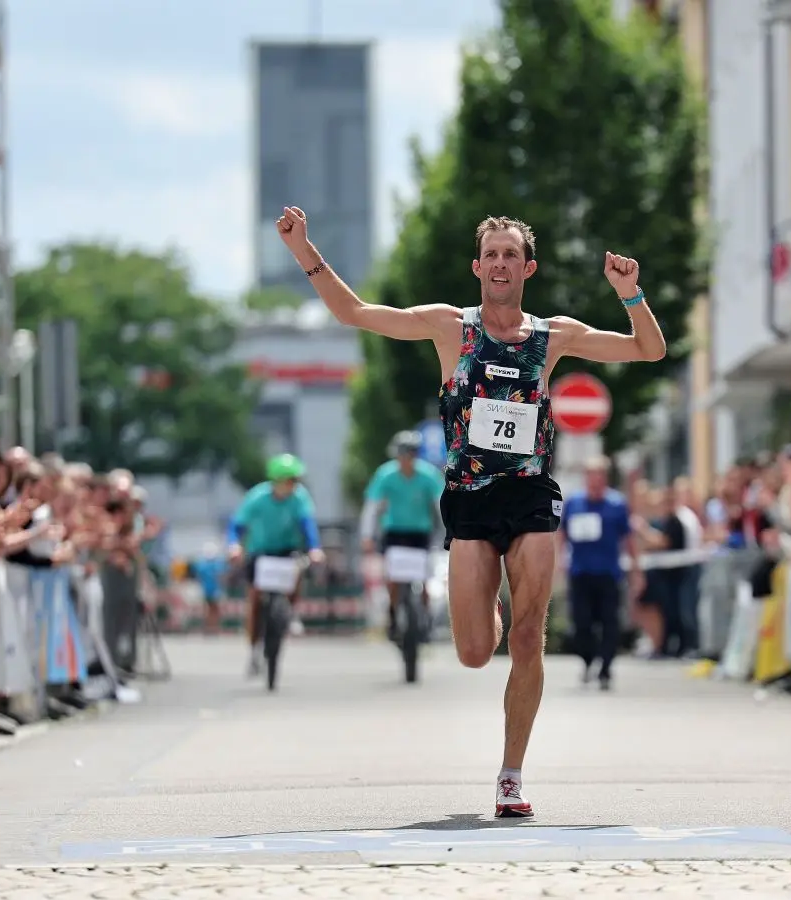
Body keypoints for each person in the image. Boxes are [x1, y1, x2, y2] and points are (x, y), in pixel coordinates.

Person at [275, 206, 666, 819]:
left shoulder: (552, 334)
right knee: (476, 651)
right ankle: (481, 597)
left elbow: (649, 348)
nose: (502, 263)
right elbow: (355, 313)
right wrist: (304, 249)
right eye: (493, 255)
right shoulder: (449, 329)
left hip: (531, 494)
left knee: (529, 631)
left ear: (527, 267)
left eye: (512, 254)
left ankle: (511, 774)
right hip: (469, 498)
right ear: (477, 267)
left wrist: (630, 293)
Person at [225, 453, 326, 677]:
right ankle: (253, 650)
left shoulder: (300, 498)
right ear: (277, 481)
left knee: (298, 569)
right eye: (289, 480)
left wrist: (315, 548)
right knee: (254, 599)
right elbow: (237, 524)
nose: (293, 484)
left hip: (287, 550)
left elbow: (307, 525)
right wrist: (234, 545)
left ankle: (290, 611)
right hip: (260, 552)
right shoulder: (257, 497)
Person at [561, 456, 639, 688]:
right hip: (580, 573)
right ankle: (587, 661)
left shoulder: (616, 504)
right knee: (582, 622)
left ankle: (605, 668)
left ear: (605, 478)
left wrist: (636, 569)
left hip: (608, 574)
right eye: (591, 475)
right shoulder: (574, 503)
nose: (595, 480)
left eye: (599, 475)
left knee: (610, 623)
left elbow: (628, 538)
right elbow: (561, 534)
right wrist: (558, 561)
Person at [361, 430, 443, 641]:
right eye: (403, 453)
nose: (407, 458)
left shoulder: (429, 475)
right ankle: (393, 614)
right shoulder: (385, 475)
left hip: (420, 533)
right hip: (394, 533)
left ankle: (424, 618)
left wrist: (450, 532)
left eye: (412, 453)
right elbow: (372, 507)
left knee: (425, 579)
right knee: (393, 578)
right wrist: (367, 535)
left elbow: (440, 505)